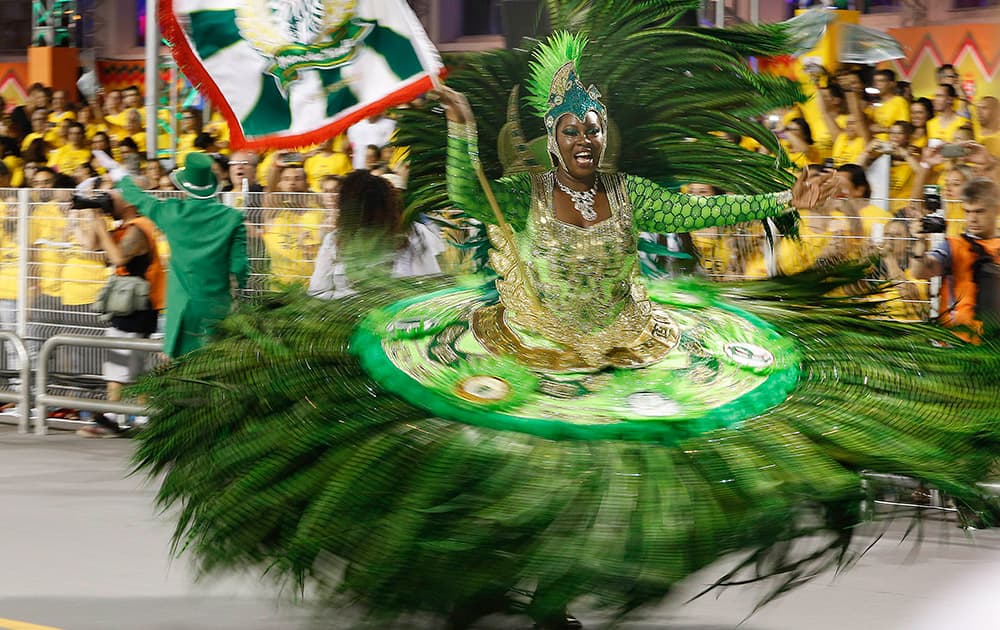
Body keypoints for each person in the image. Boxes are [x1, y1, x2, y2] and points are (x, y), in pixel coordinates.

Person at [132, 16, 1000, 630]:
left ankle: (553, 597)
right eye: (573, 127)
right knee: (510, 488)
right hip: (521, 356)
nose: (587, 137)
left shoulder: (631, 193)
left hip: (626, 358)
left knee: (602, 494)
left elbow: (711, 213)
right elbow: (470, 197)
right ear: (551, 136)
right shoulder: (517, 194)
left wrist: (784, 196)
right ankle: (496, 586)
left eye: (597, 127)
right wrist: (467, 130)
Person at [93, 150, 249, 357]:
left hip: (180, 313)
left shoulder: (172, 213)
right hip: (217, 310)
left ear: (184, 187)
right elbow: (239, 269)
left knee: (181, 378)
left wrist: (119, 173)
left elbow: (139, 199)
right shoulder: (233, 218)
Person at [76, 189, 166, 437]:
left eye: (111, 197)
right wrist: (91, 216)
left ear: (128, 202)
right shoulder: (123, 225)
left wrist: (101, 226)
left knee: (129, 366)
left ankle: (134, 419)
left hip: (137, 307)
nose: (107, 200)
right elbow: (91, 245)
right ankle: (116, 416)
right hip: (126, 304)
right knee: (122, 365)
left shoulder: (139, 227)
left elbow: (117, 258)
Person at [308, 170, 443, 299]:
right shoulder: (334, 240)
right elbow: (318, 291)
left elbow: (430, 289)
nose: (363, 211)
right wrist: (348, 303)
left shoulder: (413, 235)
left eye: (368, 204)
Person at [911, 177, 1000, 336]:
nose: (972, 218)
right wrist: (920, 241)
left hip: (994, 345)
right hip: (955, 343)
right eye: (967, 211)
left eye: (979, 211)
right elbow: (919, 272)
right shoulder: (953, 246)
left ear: (996, 209)